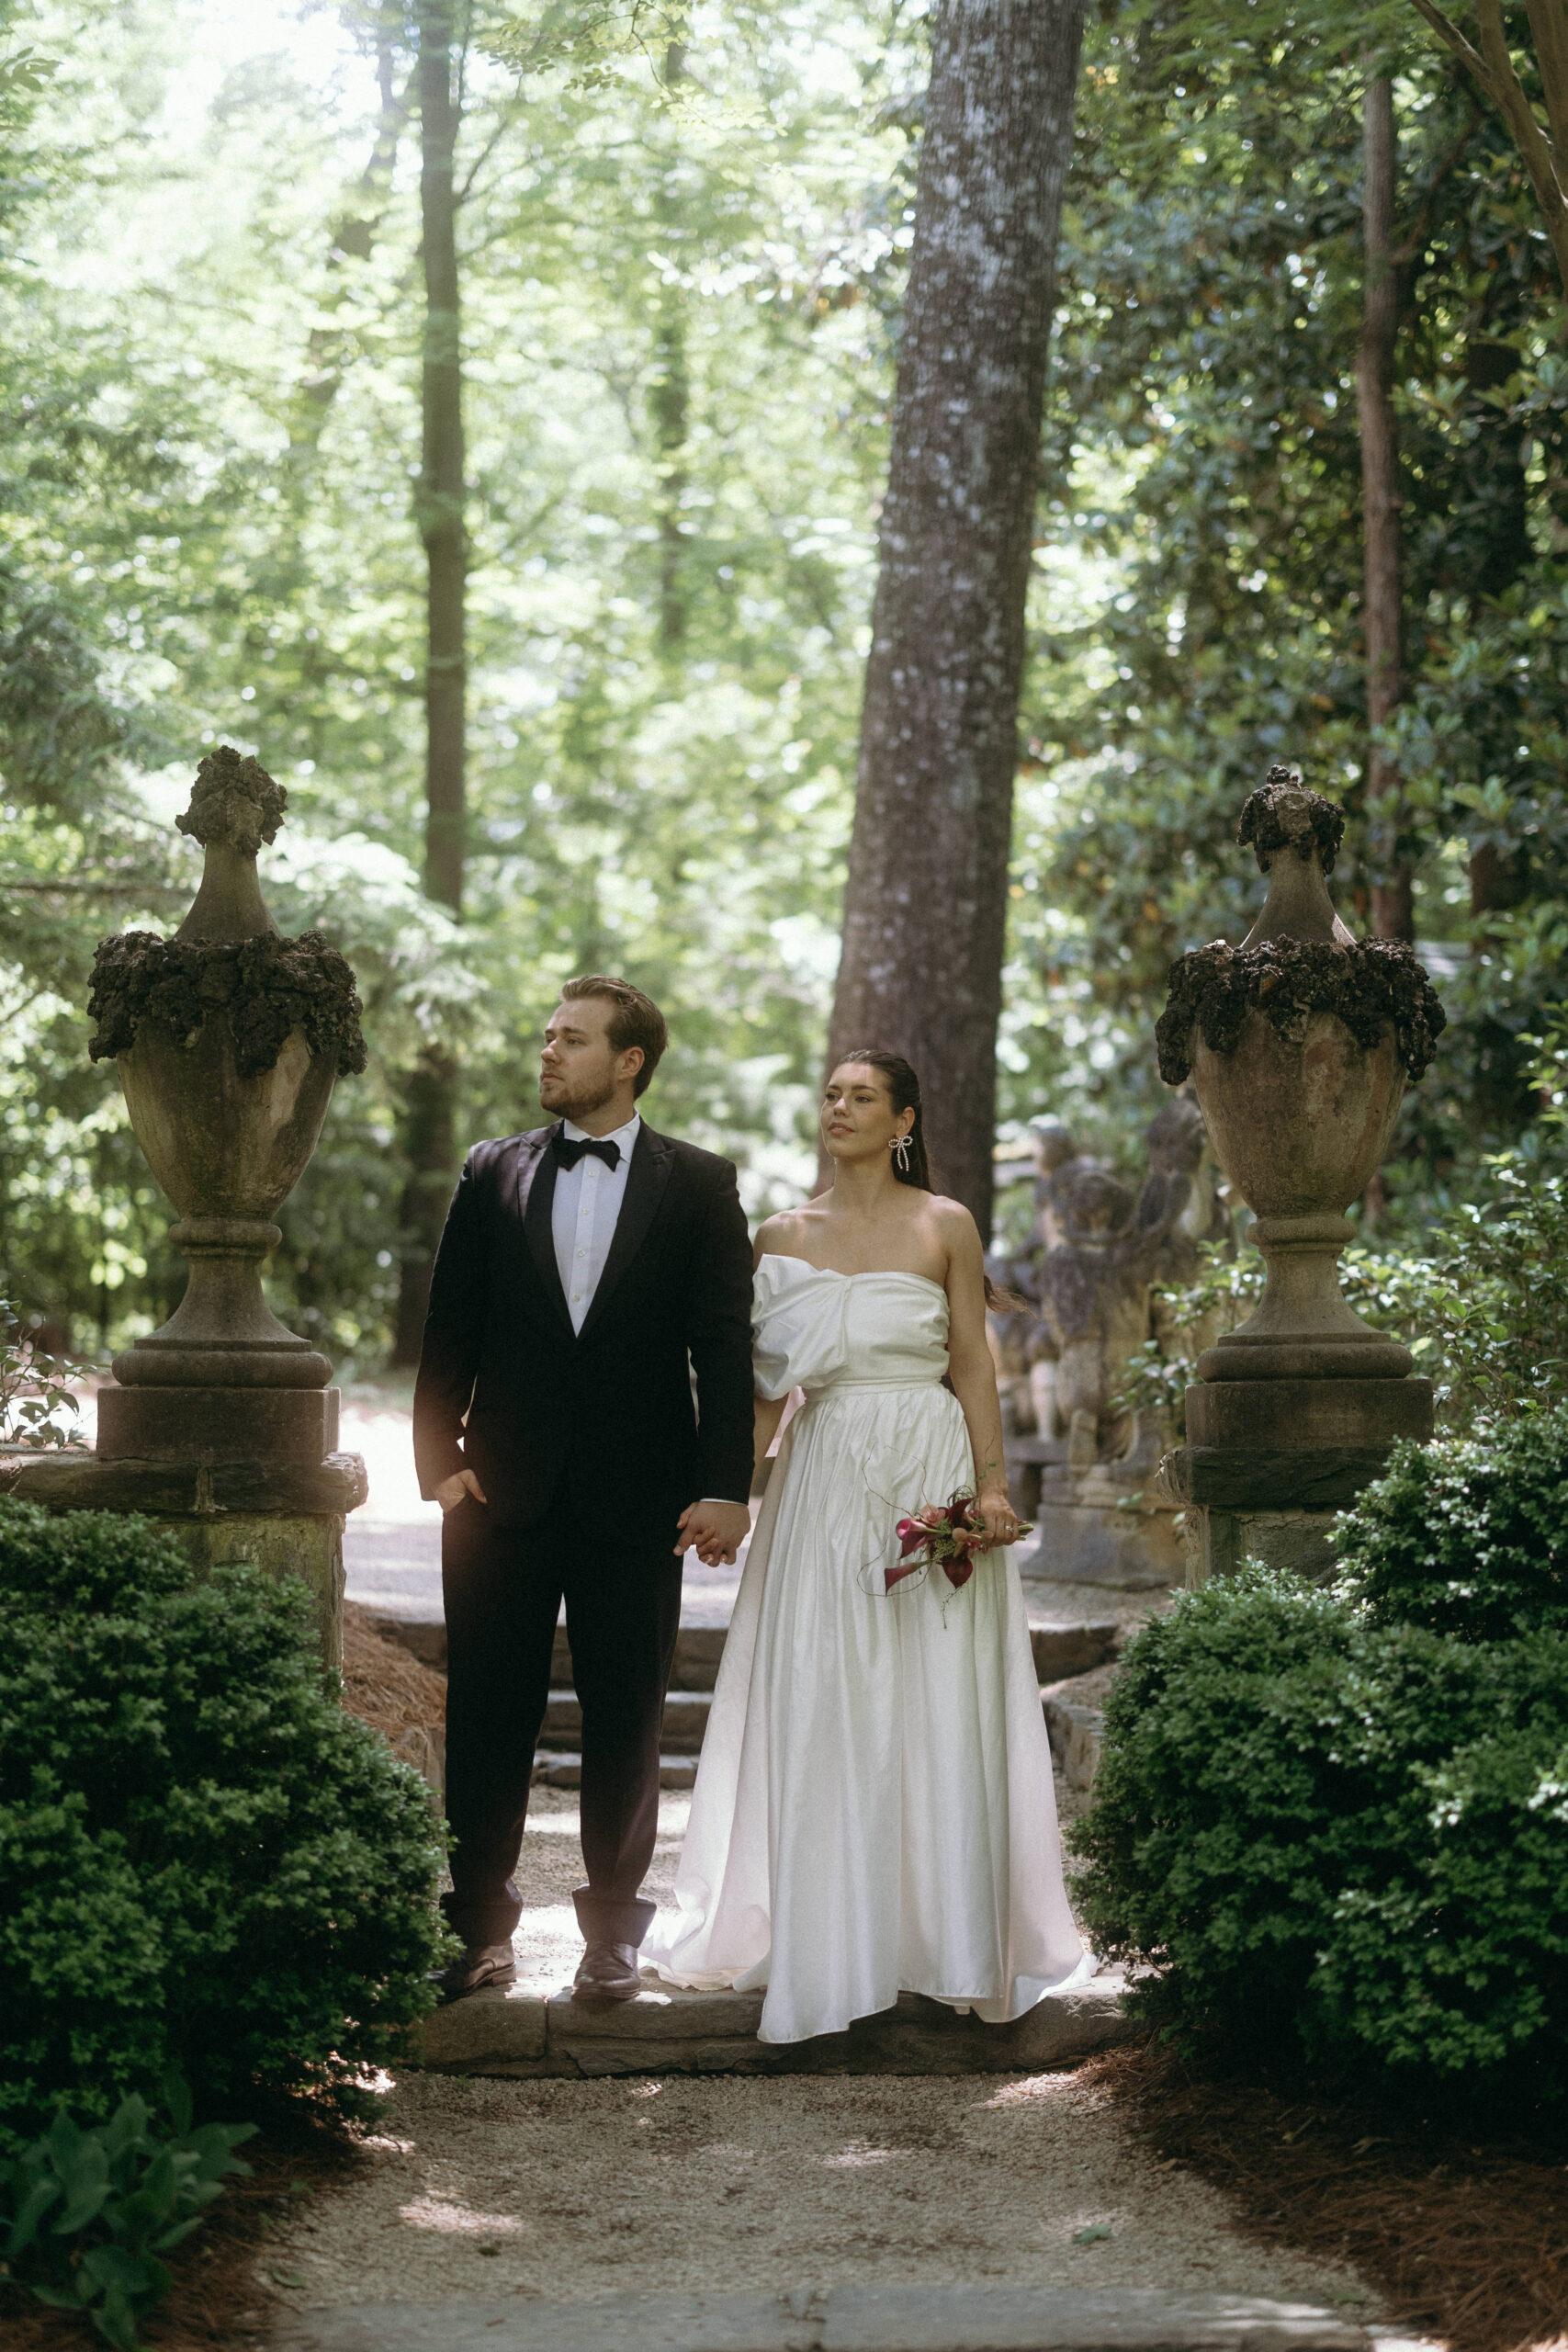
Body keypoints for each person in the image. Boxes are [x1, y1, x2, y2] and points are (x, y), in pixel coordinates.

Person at [643, 1049, 1089, 2043]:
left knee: (934, 1696)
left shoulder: (945, 1224)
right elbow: (762, 1395)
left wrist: (991, 1486)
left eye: (861, 1098)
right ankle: (827, 1945)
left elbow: (973, 1360)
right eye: (831, 1096)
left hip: (927, 1472)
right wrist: (731, 1496)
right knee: (820, 1693)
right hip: (821, 1475)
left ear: (904, 1121)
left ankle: (946, 1946)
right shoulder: (777, 1235)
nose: (839, 1109)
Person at [412, 977, 755, 2004]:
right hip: (494, 1495)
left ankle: (612, 1938)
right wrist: (439, 1465)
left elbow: (723, 1351)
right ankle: (477, 1932)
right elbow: (447, 1328)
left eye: (571, 1039)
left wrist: (724, 1487)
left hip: (635, 1498)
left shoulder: (699, 1183)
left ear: (631, 1060)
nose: (549, 1052)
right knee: (485, 1714)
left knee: (626, 1718)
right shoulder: (492, 1169)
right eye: (548, 1035)